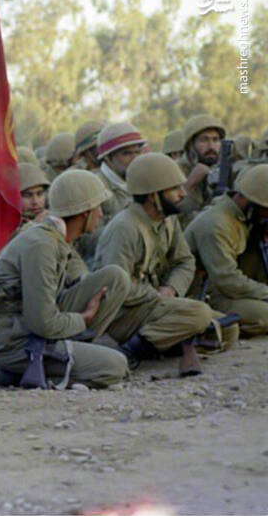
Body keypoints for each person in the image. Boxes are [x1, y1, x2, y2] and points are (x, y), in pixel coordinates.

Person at [0, 169, 130, 388]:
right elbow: (42, 323)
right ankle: (23, 370)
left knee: (115, 278)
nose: (101, 214)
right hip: (16, 342)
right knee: (115, 366)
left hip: (31, 328)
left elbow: (74, 282)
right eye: (97, 208)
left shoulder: (55, 238)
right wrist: (83, 319)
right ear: (84, 212)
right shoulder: (41, 245)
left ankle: (61, 358)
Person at [95, 153, 239, 375]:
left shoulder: (168, 219)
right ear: (154, 195)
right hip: (125, 313)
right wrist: (156, 296)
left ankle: (167, 341)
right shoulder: (124, 227)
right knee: (199, 314)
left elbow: (184, 261)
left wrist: (171, 289)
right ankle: (130, 351)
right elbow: (116, 287)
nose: (183, 194)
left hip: (157, 303)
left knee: (229, 330)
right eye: (175, 189)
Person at [185, 164, 268, 337]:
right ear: (252, 203)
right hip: (204, 294)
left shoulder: (243, 218)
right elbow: (227, 280)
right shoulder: (218, 224)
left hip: (226, 289)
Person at [95, 122, 147, 221]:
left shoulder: (146, 179)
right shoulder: (95, 187)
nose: (135, 158)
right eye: (126, 153)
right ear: (107, 158)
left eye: (138, 152)